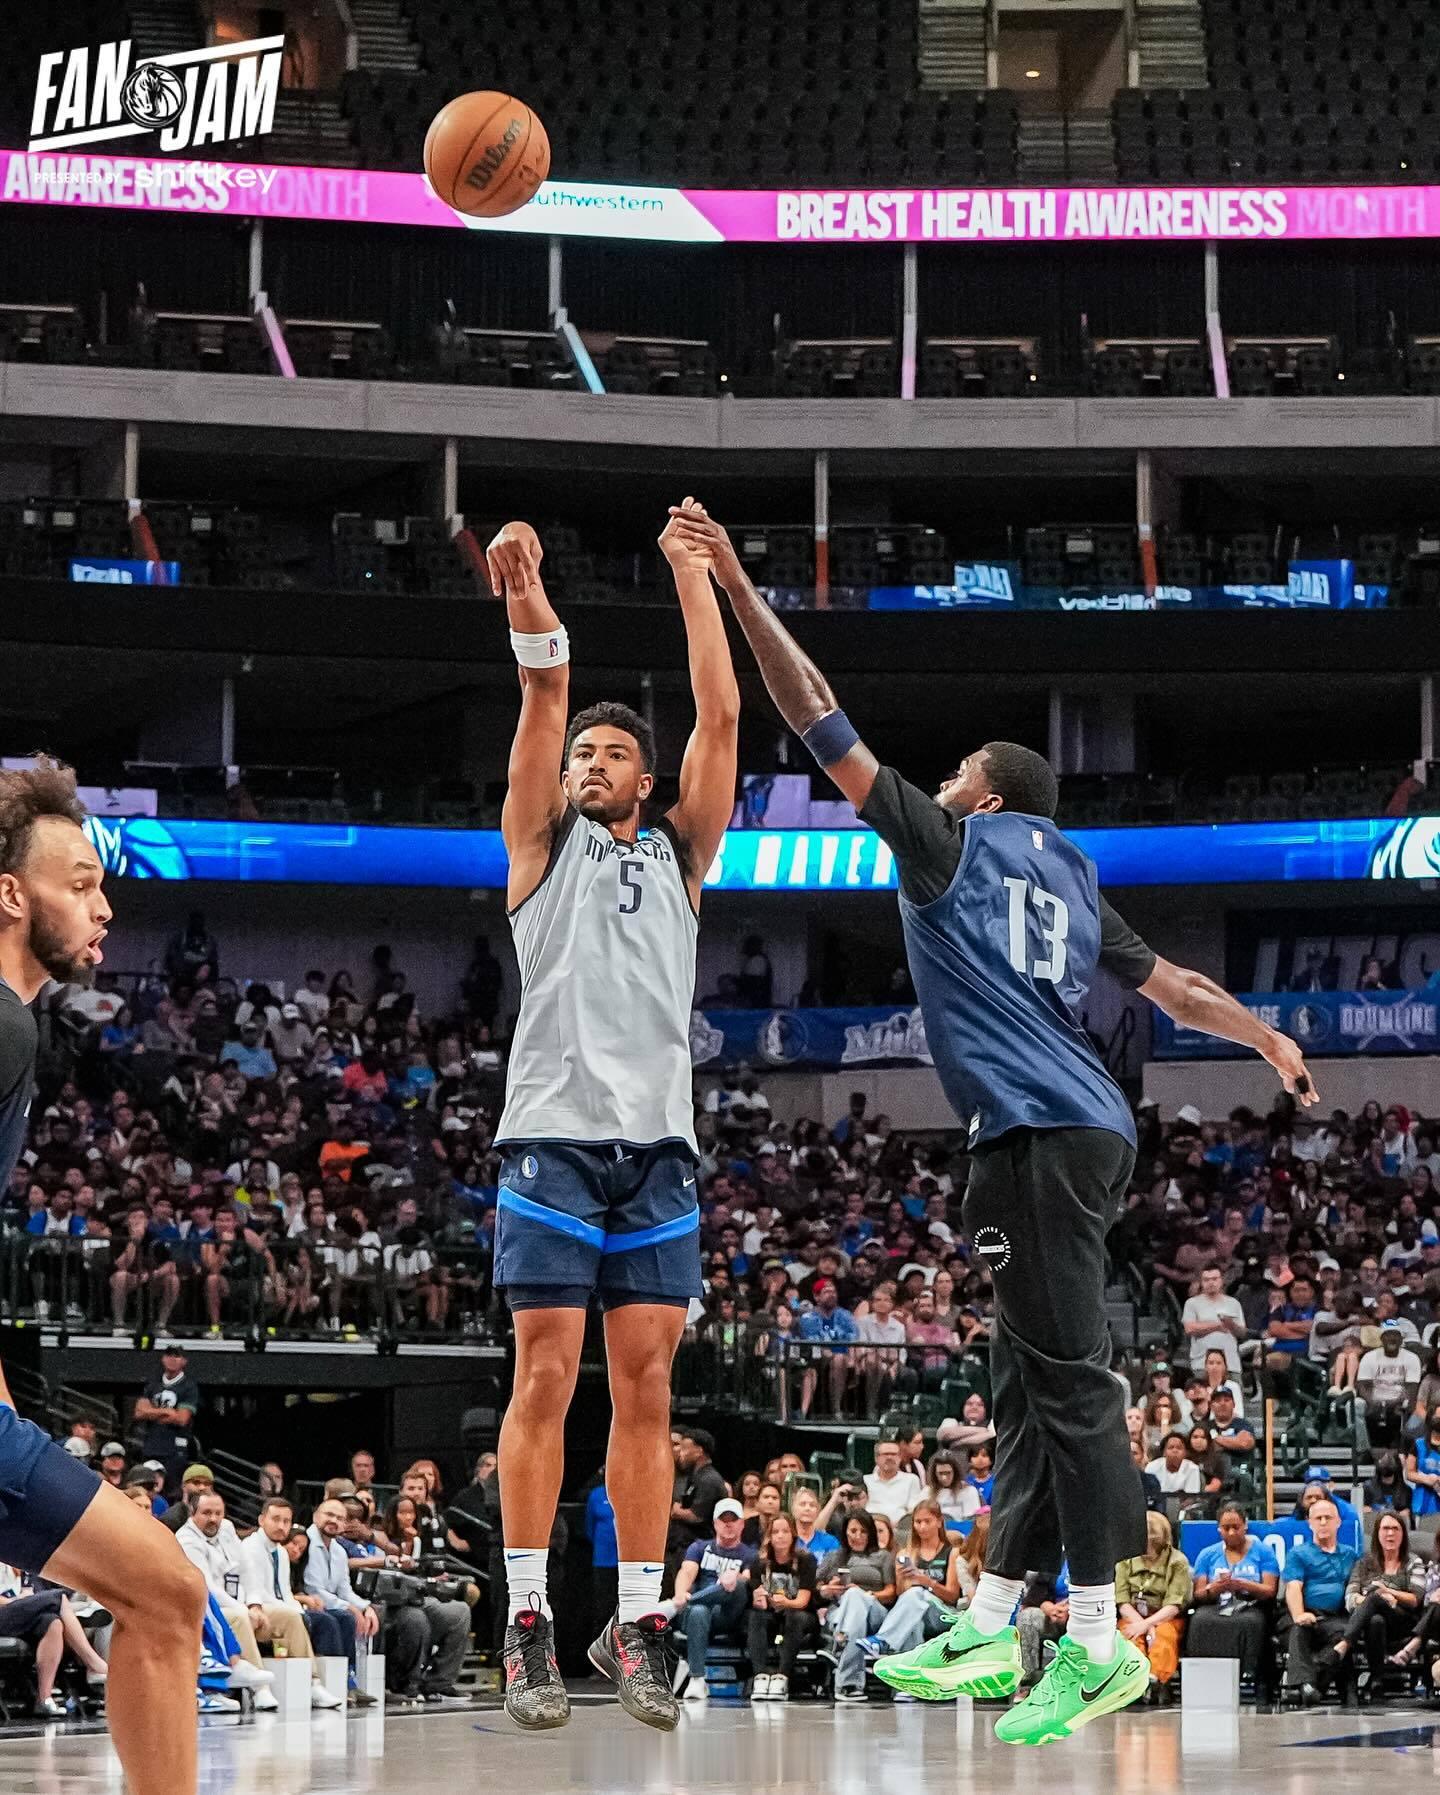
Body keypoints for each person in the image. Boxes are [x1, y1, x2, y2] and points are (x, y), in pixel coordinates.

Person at [669, 505, 1317, 1745]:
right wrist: (1268, 1038)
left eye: (961, 766)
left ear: (991, 789)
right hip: (1079, 1129)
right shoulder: (1073, 875)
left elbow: (816, 713)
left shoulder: (949, 845)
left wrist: (742, 588)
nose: (945, 776)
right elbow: (1178, 988)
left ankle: (1100, 1637)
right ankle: (993, 1614)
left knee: (1073, 1386)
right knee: (1021, 1384)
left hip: (1035, 1132)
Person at [486, 506, 739, 1733]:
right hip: (551, 1140)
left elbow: (720, 718)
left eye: (612, 753)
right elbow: (544, 694)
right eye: (582, 753)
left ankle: (637, 1620)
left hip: (659, 1155)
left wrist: (695, 575)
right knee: (545, 1374)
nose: (590, 761)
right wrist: (527, 597)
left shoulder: (683, 858)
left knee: (647, 1390)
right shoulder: (540, 850)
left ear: (645, 779)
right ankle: (528, 1617)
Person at [0, 758, 207, 1791]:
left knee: (162, 1594)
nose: (104, 905)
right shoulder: (4, 1022)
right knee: (167, 1593)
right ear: (11, 895)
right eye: (79, 883)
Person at [236, 1497, 345, 1709]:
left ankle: (314, 1683)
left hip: (275, 1607)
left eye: (286, 1521)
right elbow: (257, 1592)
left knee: (302, 1617)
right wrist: (294, 1609)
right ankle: (261, 1689)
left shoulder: (280, 1552)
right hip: (253, 1605)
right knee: (298, 1617)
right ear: (261, 1520)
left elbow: (285, 1593)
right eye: (275, 1519)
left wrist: (297, 1608)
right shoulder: (250, 1547)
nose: (281, 1526)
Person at [1187, 1502, 1280, 1695]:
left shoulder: (1263, 1552)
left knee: (1252, 1621)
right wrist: (1214, 1588)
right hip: (1217, 1603)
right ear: (1219, 1529)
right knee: (1200, 1620)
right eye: (1226, 1528)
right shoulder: (1207, 1554)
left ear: (1245, 1525)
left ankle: (1250, 1672)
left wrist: (1243, 1584)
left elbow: (1270, 1590)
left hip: (1252, 1603)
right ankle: (1204, 1675)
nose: (1231, 1532)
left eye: (1235, 1527)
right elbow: (1199, 1593)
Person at [670, 1498, 757, 1703]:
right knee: (699, 1611)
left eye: (733, 1520)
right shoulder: (700, 1548)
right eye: (723, 1520)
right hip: (699, 1614)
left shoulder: (750, 1554)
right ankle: (697, 1680)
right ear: (715, 1523)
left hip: (728, 1613)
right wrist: (680, 1593)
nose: (728, 1524)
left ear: (741, 1524)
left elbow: (748, 1578)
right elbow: (687, 1571)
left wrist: (734, 1577)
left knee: (738, 1585)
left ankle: (677, 1606)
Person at [1334, 1510, 1424, 1698]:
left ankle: (1345, 1643)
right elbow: (1350, 1598)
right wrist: (1375, 1599)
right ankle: (1377, 1680)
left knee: (1376, 1597)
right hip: (1370, 1623)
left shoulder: (1413, 1561)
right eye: (1385, 1529)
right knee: (1376, 1619)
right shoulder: (1364, 1562)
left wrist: (1389, 1593)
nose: (1390, 1534)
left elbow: (1416, 1599)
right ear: (1377, 1533)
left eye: (1395, 1529)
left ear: (1403, 1534)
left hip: (1403, 1620)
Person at [1280, 1496, 1361, 1704]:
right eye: (1318, 1518)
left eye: (1328, 1517)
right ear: (1310, 1523)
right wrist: (1299, 1614)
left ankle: (1310, 1684)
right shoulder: (1298, 1553)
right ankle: (1307, 1685)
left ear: (1338, 1522)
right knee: (1300, 1628)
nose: (1323, 1522)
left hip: (1335, 1618)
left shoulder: (1350, 1555)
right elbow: (1293, 1587)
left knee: (1345, 1635)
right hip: (1305, 1612)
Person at [817, 1510, 897, 1703]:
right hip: (839, 1610)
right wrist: (828, 1589)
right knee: (852, 1606)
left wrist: (865, 1595)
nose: (858, 1536)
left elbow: (890, 1592)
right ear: (845, 1532)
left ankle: (838, 1649)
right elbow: (817, 1588)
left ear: (870, 1533)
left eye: (863, 1531)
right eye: (853, 1531)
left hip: (875, 1612)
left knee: (854, 1595)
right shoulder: (835, 1557)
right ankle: (849, 1685)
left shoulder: (883, 1556)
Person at [1114, 1512, 1193, 1705]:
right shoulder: (1124, 1561)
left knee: (1164, 1636)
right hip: (1132, 1616)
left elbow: (1174, 1604)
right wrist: (1141, 1625)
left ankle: (1155, 1679)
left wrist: (1149, 1624)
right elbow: (1122, 1601)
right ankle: (1131, 1682)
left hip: (1166, 1617)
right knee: (1128, 1636)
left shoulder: (1178, 1562)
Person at [746, 1510, 817, 1701]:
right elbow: (757, 1598)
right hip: (772, 1613)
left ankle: (782, 1676)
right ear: (769, 1536)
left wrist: (785, 1602)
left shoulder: (806, 1560)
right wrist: (759, 1598)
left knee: (794, 1616)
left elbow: (803, 1600)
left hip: (801, 1614)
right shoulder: (759, 1563)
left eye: (785, 1531)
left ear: (793, 1534)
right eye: (775, 1532)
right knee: (755, 1616)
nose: (780, 1536)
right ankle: (760, 1675)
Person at [133, 1344, 200, 1494]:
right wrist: (167, 1412)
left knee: (172, 1491)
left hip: (175, 1451)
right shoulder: (153, 1383)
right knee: (146, 1488)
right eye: (169, 1355)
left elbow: (182, 1418)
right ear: (163, 1358)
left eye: (177, 1356)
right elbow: (139, 1412)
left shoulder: (189, 1386)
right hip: (151, 1447)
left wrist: (151, 1412)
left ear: (184, 1361)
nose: (172, 1359)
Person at [1357, 1325, 1424, 1447]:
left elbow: (1412, 1388)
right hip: (1373, 1400)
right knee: (1356, 1405)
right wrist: (1372, 1402)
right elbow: (1363, 1386)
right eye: (1388, 1335)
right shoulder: (1369, 1357)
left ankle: (1401, 1448)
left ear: (1401, 1339)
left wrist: (1397, 1402)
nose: (1392, 1338)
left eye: (1396, 1335)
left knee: (1408, 1406)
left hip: (1400, 1400)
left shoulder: (1412, 1358)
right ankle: (1363, 1449)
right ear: (1381, 1339)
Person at [862, 1437, 925, 1529]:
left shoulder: (911, 1480)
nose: (889, 1457)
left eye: (893, 1454)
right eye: (885, 1454)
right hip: (870, 1529)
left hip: (901, 1530)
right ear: (876, 1458)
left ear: (900, 1457)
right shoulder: (865, 1481)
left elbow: (913, 1510)